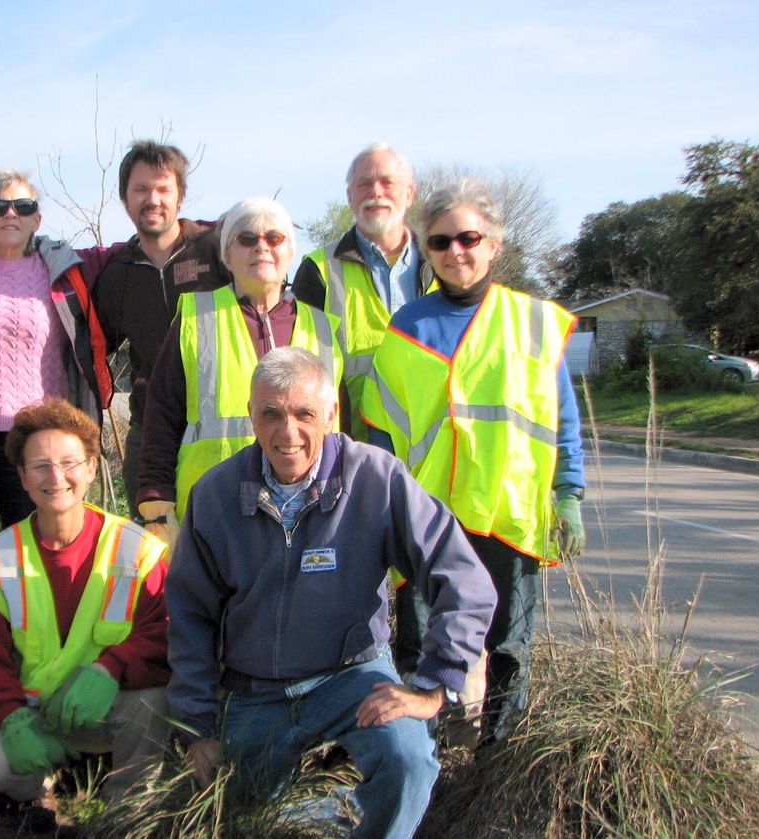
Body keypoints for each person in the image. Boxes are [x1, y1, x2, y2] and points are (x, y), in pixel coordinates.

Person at [166, 347, 496, 839]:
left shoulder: (376, 478)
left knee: (407, 759)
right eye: (271, 414)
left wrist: (432, 687)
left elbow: (464, 580)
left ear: (331, 415)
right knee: (243, 816)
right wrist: (197, 725)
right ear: (251, 415)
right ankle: (322, 810)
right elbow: (189, 615)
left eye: (305, 414)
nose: (288, 433)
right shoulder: (215, 494)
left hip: (352, 678)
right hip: (255, 692)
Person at [362, 178, 586, 746]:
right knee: (419, 642)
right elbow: (381, 430)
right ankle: (422, 758)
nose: (456, 251)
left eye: (469, 238)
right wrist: (384, 509)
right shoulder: (407, 327)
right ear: (426, 249)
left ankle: (497, 759)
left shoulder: (534, 322)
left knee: (507, 643)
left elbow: (561, 419)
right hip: (428, 516)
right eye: (440, 242)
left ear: (494, 244)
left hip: (508, 511)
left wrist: (570, 494)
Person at [0, 169, 112, 677]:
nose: (11, 216)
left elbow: (138, 245)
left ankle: (32, 667)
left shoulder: (66, 269)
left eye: (23, 207)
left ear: (38, 218)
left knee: (32, 554)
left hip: (35, 441)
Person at [0, 398, 171, 804]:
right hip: (29, 713)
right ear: (21, 477)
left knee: (154, 700)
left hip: (105, 707)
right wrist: (10, 716)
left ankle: (128, 808)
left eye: (70, 463)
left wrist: (110, 669)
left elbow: (163, 632)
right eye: (40, 465)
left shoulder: (137, 550)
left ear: (92, 467)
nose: (56, 477)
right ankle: (40, 792)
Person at [135, 197, 340, 533]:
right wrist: (157, 509)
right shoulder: (195, 319)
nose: (262, 247)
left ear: (290, 252)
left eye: (275, 238)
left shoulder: (324, 329)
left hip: (309, 516)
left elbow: (337, 429)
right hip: (216, 516)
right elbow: (160, 419)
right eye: (246, 239)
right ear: (227, 255)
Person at [91, 140, 231, 508]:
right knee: (155, 555)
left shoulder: (218, 250)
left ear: (180, 196)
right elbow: (92, 350)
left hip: (225, 429)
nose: (152, 199)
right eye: (140, 190)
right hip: (149, 436)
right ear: (125, 199)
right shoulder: (117, 275)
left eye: (163, 189)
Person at [292, 143, 434, 437]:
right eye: (364, 184)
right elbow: (302, 372)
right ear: (350, 197)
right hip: (352, 454)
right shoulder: (318, 270)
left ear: (410, 193)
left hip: (433, 453)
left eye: (387, 182)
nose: (376, 192)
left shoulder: (442, 264)